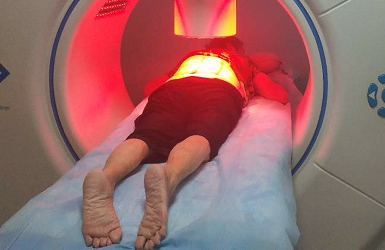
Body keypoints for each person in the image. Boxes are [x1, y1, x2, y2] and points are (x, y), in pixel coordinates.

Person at [81, 36, 288, 249]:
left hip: (173, 87)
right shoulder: (241, 61)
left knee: (144, 137)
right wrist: (256, 70)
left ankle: (106, 177)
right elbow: (278, 95)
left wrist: (172, 74)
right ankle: (168, 177)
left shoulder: (189, 58)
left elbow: (149, 89)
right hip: (220, 88)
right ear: (234, 47)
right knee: (202, 135)